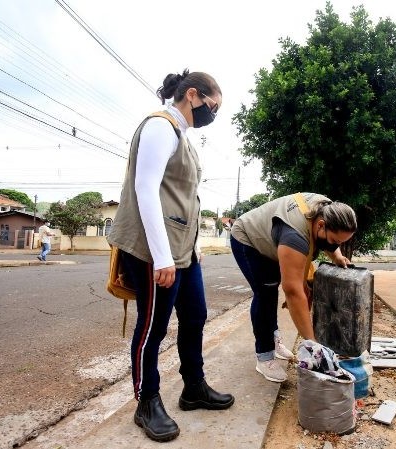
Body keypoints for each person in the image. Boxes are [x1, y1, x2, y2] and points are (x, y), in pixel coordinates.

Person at [107, 69, 234, 443]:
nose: (213, 113)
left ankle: (193, 387)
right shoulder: (160, 127)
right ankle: (146, 401)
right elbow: (145, 190)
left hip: (182, 250)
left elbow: (182, 199)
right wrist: (162, 257)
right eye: (213, 106)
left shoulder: (183, 136)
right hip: (153, 250)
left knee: (195, 315)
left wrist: (192, 249)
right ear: (192, 95)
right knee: (152, 327)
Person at [230, 192, 357, 382]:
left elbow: (330, 238)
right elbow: (293, 291)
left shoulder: (328, 209)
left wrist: (337, 255)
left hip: (274, 240)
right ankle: (264, 356)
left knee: (270, 288)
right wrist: (312, 343)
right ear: (320, 225)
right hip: (249, 239)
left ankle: (273, 339)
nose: (336, 246)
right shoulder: (294, 236)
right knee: (265, 292)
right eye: (335, 243)